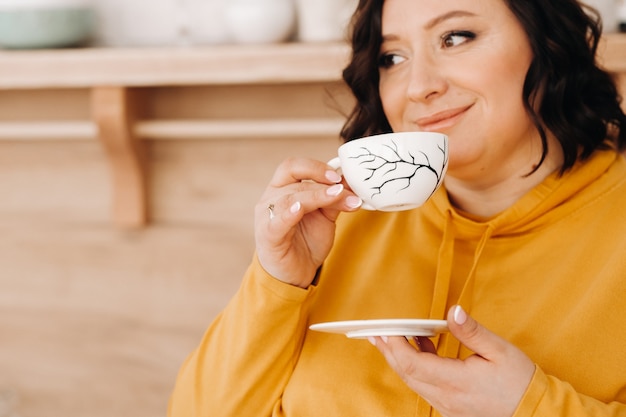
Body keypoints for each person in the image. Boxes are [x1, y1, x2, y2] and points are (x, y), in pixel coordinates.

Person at [168, 0, 626, 415]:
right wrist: (277, 280)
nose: (418, 87)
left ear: (545, 43)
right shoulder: (336, 229)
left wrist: (531, 408)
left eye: (456, 37)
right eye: (393, 58)